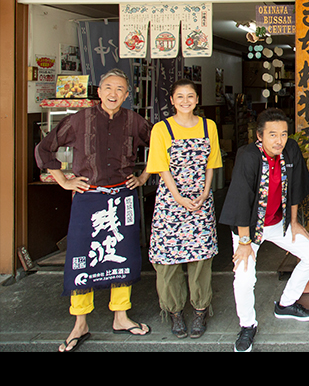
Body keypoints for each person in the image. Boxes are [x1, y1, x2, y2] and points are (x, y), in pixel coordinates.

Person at [35, 68, 152, 352]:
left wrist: (145, 175)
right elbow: (45, 148)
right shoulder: (79, 119)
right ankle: (80, 323)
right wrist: (63, 179)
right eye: (109, 88)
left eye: (120, 89)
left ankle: (121, 316)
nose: (114, 94)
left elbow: (159, 146)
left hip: (122, 195)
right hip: (89, 197)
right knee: (81, 258)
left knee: (123, 255)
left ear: (127, 95)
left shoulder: (135, 120)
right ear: (99, 92)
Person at [219, 108, 309, 353]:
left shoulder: (291, 150)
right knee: (244, 277)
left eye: (284, 134)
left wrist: (295, 222)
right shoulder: (248, 156)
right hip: (249, 228)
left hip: (277, 223)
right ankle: (247, 325)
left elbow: (296, 187)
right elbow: (241, 198)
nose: (279, 140)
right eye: (272, 134)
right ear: (260, 136)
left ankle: (285, 304)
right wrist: (244, 243)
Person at [145, 79, 222, 339]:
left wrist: (204, 193)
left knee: (202, 258)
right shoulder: (161, 129)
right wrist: (178, 197)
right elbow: (161, 166)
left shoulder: (207, 125)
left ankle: (200, 309)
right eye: (180, 96)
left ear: (197, 99)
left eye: (190, 96)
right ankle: (174, 312)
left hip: (201, 200)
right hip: (170, 203)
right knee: (168, 261)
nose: (185, 101)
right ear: (172, 100)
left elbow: (212, 162)